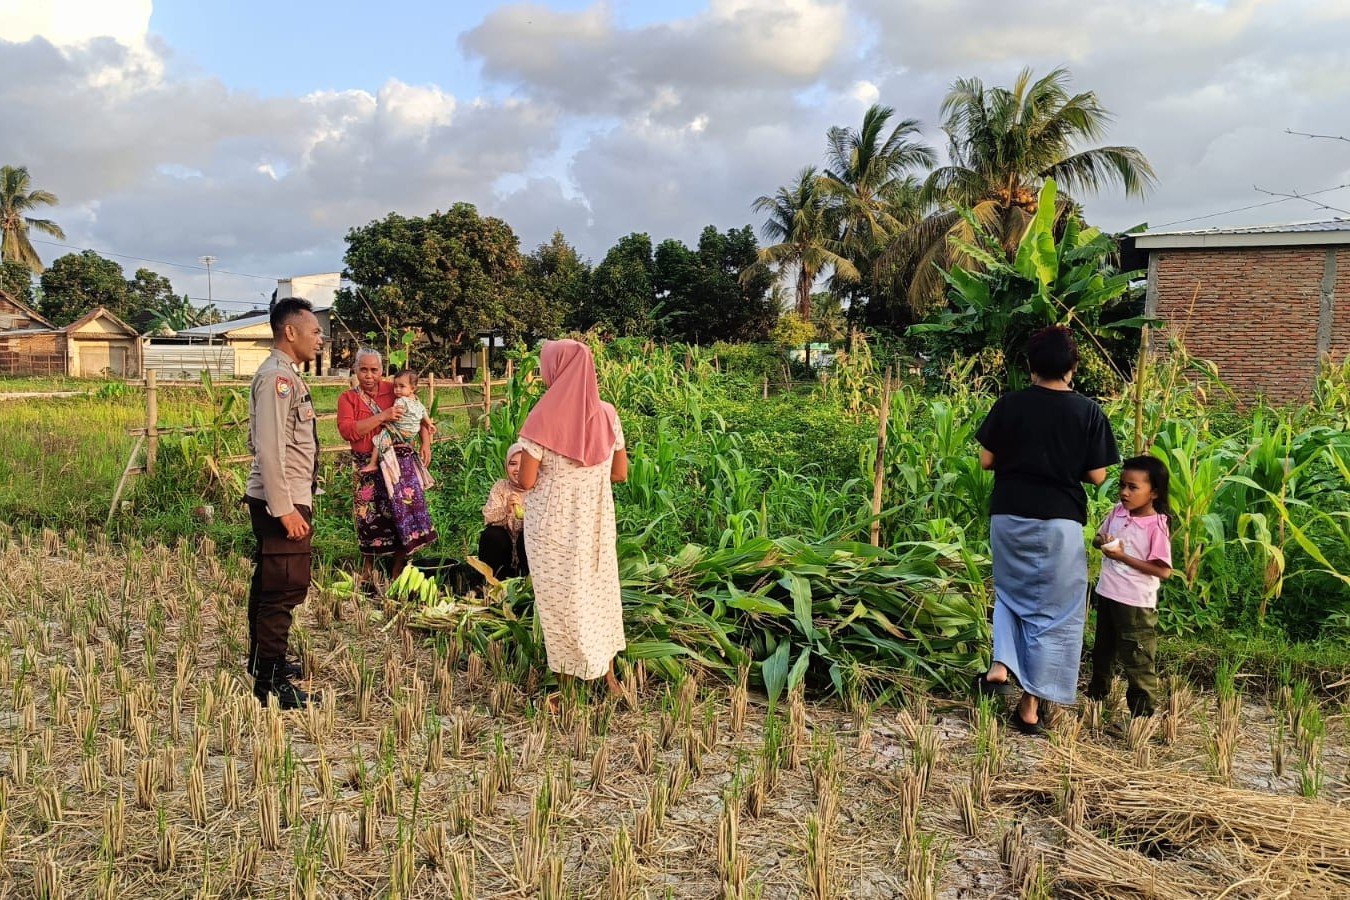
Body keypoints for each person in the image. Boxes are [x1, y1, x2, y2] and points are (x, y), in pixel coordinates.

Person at [972, 326, 1120, 734]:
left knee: (1008, 594)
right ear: (1072, 367)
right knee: (1058, 613)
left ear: (1029, 366)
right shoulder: (1088, 412)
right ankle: (1031, 707)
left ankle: (1001, 664)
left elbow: (987, 460)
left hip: (1009, 515)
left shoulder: (1009, 404)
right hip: (1060, 522)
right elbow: (1098, 475)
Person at [515, 339, 628, 697]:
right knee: (601, 593)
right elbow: (620, 473)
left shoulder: (542, 417)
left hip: (553, 527)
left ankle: (567, 687)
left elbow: (526, 480)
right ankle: (608, 678)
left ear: (556, 370)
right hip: (595, 521)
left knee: (560, 600)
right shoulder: (608, 414)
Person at [244, 297, 324, 708]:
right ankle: (270, 681)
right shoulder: (277, 378)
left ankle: (263, 662)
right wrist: (285, 509)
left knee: (270, 583)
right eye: (315, 332)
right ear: (289, 332)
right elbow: (270, 449)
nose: (321, 339)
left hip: (287, 495)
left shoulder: (287, 375)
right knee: (283, 587)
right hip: (282, 501)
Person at [336, 349, 437, 592]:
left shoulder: (395, 389)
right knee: (366, 515)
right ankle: (368, 568)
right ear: (355, 370)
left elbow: (417, 414)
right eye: (363, 369)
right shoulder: (347, 398)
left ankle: (397, 568)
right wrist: (383, 416)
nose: (369, 375)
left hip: (398, 459)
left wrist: (426, 443)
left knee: (400, 511)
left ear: (382, 371)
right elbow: (349, 431)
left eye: (374, 370)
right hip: (365, 461)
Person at [1088, 456, 1174, 718]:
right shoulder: (1117, 511)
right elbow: (1096, 539)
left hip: (1135, 603)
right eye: (1122, 485)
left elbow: (1163, 571)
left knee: (1137, 659)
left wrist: (1122, 556)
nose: (1125, 492)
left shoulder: (1156, 526)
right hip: (1107, 594)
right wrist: (1104, 540)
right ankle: (1095, 703)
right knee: (1102, 652)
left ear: (1154, 492)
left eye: (1133, 487)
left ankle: (1142, 715)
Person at [359, 369, 434, 482]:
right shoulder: (417, 401)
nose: (397, 390)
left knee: (380, 438)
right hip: (411, 436)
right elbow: (423, 413)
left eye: (401, 386)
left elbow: (394, 415)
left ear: (412, 388)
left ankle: (372, 463)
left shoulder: (401, 400)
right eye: (395, 386)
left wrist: (383, 419)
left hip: (400, 432)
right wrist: (430, 424)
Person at [477, 443, 530, 579]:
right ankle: (495, 581)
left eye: (523, 463)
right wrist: (507, 509)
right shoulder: (501, 487)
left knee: (527, 536)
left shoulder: (539, 488)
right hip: (504, 550)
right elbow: (488, 517)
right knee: (492, 535)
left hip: (528, 553)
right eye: (512, 464)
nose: (518, 469)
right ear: (506, 466)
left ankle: (528, 582)